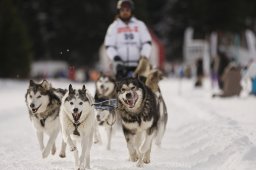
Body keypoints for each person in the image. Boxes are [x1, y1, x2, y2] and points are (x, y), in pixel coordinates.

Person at [104, 0, 152, 80]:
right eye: (122, 10)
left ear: (131, 11)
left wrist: (144, 56)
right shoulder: (113, 26)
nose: (125, 12)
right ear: (118, 11)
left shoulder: (140, 24)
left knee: (145, 89)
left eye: (127, 10)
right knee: (118, 89)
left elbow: (147, 43)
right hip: (120, 65)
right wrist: (116, 58)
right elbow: (109, 46)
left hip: (138, 65)